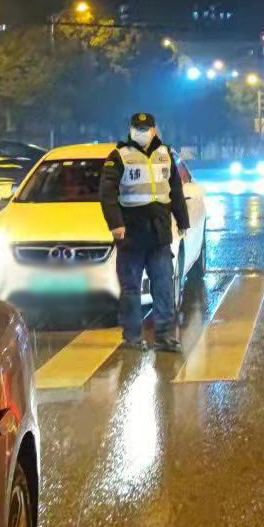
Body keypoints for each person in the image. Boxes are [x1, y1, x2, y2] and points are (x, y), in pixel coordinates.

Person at [98, 111, 190, 352]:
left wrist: (182, 220)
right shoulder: (118, 156)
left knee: (163, 285)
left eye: (145, 128)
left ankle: (163, 335)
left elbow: (176, 191)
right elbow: (107, 194)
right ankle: (131, 336)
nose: (141, 132)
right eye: (137, 129)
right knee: (131, 288)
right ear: (130, 130)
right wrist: (115, 224)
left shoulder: (165, 154)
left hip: (159, 232)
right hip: (131, 233)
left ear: (154, 130)